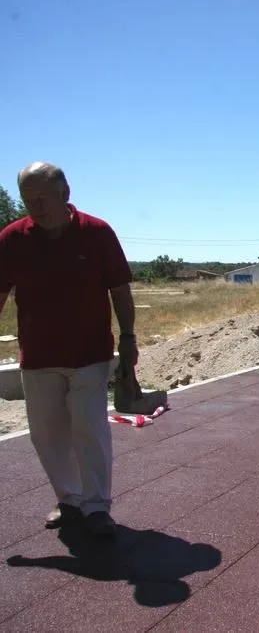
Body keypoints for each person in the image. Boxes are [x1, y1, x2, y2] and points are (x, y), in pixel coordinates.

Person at [0, 162, 138, 539]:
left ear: (65, 194)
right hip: (39, 355)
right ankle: (69, 500)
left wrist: (129, 339)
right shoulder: (12, 239)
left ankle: (96, 507)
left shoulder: (97, 233)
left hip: (89, 354)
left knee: (89, 428)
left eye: (42, 198)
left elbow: (121, 291)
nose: (35, 207)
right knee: (46, 433)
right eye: (28, 200)